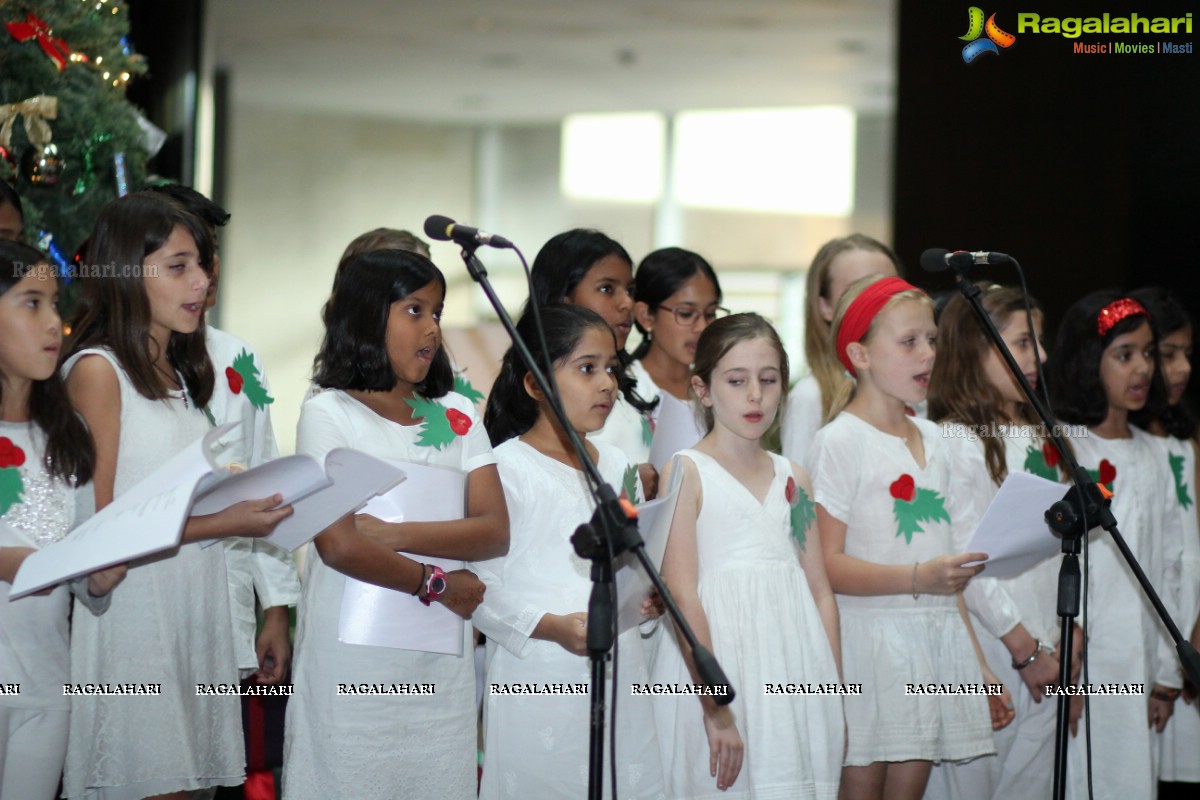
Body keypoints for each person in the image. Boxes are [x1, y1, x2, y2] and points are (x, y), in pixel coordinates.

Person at [61, 191, 293, 800]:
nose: (201, 281)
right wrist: (221, 522)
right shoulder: (98, 371)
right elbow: (97, 531)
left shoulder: (181, 372)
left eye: (202, 264)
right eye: (178, 266)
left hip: (196, 611)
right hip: (138, 621)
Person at [281, 247, 506, 800]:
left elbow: (494, 528)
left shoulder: (456, 411)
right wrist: (436, 582)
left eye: (437, 310)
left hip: (438, 664)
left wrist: (395, 536)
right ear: (366, 314)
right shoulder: (329, 412)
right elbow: (337, 544)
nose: (432, 327)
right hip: (352, 664)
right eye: (414, 310)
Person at [808, 275, 1008, 800]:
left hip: (934, 643)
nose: (928, 354)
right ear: (860, 354)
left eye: (933, 340)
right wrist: (919, 576)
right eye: (909, 342)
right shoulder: (840, 442)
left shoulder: (939, 440)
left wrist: (978, 667)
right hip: (871, 648)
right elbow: (827, 563)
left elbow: (950, 572)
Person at [472, 304, 665, 798]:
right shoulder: (505, 467)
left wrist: (648, 603)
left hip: (621, 674)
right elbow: (480, 588)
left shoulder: (619, 466)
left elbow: (636, 567)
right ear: (535, 383)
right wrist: (553, 626)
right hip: (538, 673)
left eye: (612, 369)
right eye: (587, 368)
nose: (607, 383)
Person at [650, 312, 844, 797]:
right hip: (721, 669)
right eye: (737, 381)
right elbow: (683, 594)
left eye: (768, 379)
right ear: (703, 389)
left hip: (795, 669)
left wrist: (832, 690)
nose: (755, 395)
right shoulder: (686, 470)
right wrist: (716, 708)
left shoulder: (795, 476)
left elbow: (819, 590)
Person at [925, 284, 1079, 800]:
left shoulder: (1044, 434)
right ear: (975, 349)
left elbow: (1069, 548)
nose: (1040, 356)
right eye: (1020, 343)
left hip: (1051, 647)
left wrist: (1072, 631)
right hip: (997, 648)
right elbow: (969, 558)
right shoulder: (956, 441)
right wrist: (1023, 647)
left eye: (1038, 341)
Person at [149, 183, 300, 687]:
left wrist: (276, 608)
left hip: (225, 600)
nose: (205, 273)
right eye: (184, 260)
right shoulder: (110, 366)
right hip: (147, 595)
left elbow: (265, 477)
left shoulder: (238, 358)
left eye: (210, 254)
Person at [0, 242, 124, 799]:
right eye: (32, 303)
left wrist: (93, 577)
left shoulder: (67, 438)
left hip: (46, 693)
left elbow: (78, 565)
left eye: (56, 303)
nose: (55, 322)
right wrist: (23, 562)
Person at [1048, 290, 1183, 800]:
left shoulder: (1155, 453)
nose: (1142, 369)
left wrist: (1168, 672)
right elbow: (1045, 563)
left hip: (1140, 659)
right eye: (1124, 355)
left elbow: (1170, 564)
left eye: (1148, 353)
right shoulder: (1064, 447)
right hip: (1084, 662)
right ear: (1088, 362)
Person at [1129, 288, 1200, 797]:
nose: (1180, 368)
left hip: (1190, 634)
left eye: (1185, 355)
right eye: (1165, 354)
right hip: (1150, 643)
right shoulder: (1117, 445)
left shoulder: (1186, 442)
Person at [530, 229, 658, 495]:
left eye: (630, 290)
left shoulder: (633, 381)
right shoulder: (536, 391)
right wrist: (629, 488)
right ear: (563, 299)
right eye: (606, 289)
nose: (627, 303)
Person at [781, 234, 900, 468]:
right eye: (860, 290)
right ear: (825, 306)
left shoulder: (916, 385)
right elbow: (799, 495)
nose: (879, 302)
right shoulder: (811, 397)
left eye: (890, 289)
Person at [631, 247, 726, 406]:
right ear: (646, 316)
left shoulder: (719, 389)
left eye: (710, 313)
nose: (702, 327)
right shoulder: (622, 389)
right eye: (686, 313)